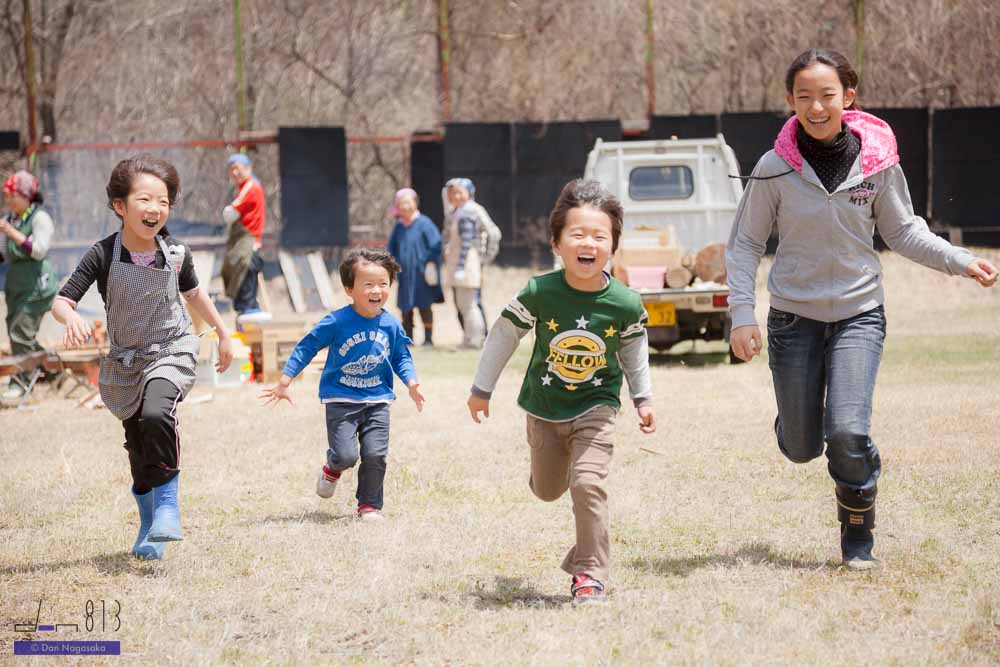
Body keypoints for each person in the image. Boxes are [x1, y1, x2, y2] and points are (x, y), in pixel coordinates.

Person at [725, 48, 998, 571]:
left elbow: (903, 231)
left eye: (827, 95)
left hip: (858, 315)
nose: (816, 106)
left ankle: (857, 537)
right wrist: (742, 314)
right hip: (792, 318)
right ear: (791, 102)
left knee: (847, 432)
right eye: (804, 96)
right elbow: (744, 245)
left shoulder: (877, 162)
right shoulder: (774, 167)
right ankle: (798, 422)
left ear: (848, 97)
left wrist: (959, 260)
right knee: (803, 447)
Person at [467, 179, 655, 603]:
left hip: (597, 407)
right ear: (556, 242)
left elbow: (634, 350)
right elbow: (502, 336)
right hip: (545, 407)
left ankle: (589, 573)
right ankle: (557, 472)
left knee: (588, 485)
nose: (588, 243)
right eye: (577, 233)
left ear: (613, 245)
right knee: (550, 489)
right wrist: (482, 388)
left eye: (599, 235)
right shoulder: (539, 292)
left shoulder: (625, 302)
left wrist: (643, 398)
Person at [52, 154, 234, 560]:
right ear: (121, 206)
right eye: (145, 200)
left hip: (172, 348)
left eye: (164, 201)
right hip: (125, 361)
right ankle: (149, 524)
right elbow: (62, 300)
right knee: (137, 448)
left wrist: (223, 334)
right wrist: (70, 319)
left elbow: (195, 295)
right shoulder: (102, 254)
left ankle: (169, 506)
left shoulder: (175, 253)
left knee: (157, 413)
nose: (155, 210)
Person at [260, 247, 425, 521]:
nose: (377, 290)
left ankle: (369, 505)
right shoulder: (337, 321)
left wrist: (411, 382)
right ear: (350, 289)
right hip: (341, 400)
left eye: (383, 284)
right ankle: (333, 467)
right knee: (347, 455)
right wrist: (286, 380)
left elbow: (400, 357)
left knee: (376, 454)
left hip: (378, 400)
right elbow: (307, 346)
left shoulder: (391, 325)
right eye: (368, 284)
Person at [0, 171, 58, 400]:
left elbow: (38, 250)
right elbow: (5, 255)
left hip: (36, 286)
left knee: (21, 332)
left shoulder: (39, 218)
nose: (8, 200)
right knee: (17, 333)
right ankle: (51, 368)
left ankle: (22, 383)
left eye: (11, 195)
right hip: (16, 284)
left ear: (25, 196)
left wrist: (11, 233)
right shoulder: (12, 218)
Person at [442, 178, 500, 347]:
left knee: (471, 303)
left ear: (469, 192)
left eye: (460, 192)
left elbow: (493, 233)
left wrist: (486, 256)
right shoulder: (455, 212)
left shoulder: (474, 210)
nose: (456, 196)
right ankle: (469, 337)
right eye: (452, 193)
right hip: (457, 264)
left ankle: (477, 339)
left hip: (468, 263)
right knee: (462, 303)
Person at [386, 188, 444, 346]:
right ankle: (408, 339)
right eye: (402, 203)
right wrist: (391, 266)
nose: (405, 207)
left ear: (415, 203)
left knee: (425, 306)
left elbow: (436, 245)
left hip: (422, 274)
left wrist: (429, 262)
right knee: (406, 308)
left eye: (408, 202)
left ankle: (428, 339)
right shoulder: (399, 227)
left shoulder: (424, 223)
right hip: (405, 275)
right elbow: (391, 249)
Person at [221, 153, 269, 322]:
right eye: (231, 169)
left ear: (248, 169)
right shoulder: (242, 187)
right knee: (235, 267)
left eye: (237, 168)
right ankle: (244, 306)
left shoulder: (251, 186)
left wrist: (228, 211)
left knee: (244, 267)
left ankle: (248, 306)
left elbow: (230, 213)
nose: (234, 172)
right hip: (243, 238)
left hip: (249, 238)